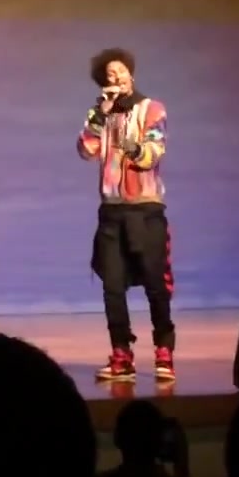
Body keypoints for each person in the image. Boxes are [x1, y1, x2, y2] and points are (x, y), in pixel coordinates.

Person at [76, 48, 174, 382]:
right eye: (109, 74)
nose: (115, 77)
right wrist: (100, 116)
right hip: (112, 211)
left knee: (155, 284)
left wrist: (132, 146)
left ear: (130, 74)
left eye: (119, 71)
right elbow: (86, 150)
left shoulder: (152, 108)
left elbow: (153, 152)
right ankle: (121, 354)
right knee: (112, 287)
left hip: (145, 209)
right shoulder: (99, 113)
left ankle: (164, 350)